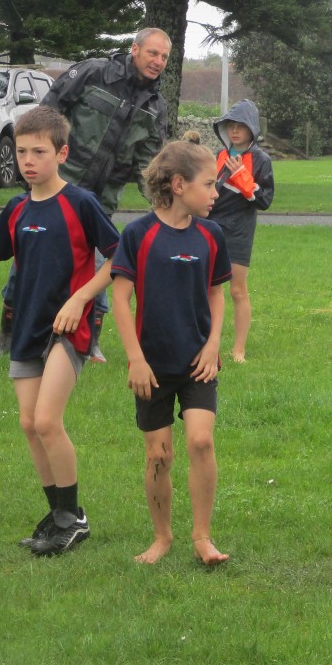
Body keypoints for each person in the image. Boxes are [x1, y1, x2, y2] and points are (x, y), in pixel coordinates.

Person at [0, 107, 120, 556]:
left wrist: (79, 299)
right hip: (26, 325)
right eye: (21, 152)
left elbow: (120, 256)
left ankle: (72, 519)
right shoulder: (17, 208)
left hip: (69, 327)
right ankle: (58, 516)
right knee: (30, 424)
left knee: (48, 420)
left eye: (39, 152)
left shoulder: (80, 203)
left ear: (62, 154)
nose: (28, 161)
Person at [111, 140, 233, 566]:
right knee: (158, 455)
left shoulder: (212, 235)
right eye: (209, 184)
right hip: (152, 367)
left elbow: (217, 294)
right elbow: (120, 298)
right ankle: (162, 537)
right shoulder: (138, 235)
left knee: (201, 441)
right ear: (179, 185)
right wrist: (135, 359)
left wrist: (214, 344)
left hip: (198, 362)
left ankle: (203, 537)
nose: (216, 193)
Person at [42, 27, 172, 215]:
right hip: (61, 185)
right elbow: (46, 116)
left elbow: (150, 165)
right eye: (153, 53)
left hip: (103, 203)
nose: (158, 62)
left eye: (164, 57)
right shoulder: (94, 73)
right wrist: (36, 171)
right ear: (135, 49)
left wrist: (166, 206)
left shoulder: (156, 107)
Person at [209, 100, 275, 363]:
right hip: (210, 227)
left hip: (239, 230)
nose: (234, 131)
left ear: (252, 129)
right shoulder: (218, 155)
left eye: (241, 126)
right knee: (208, 289)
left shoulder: (261, 160)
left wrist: (244, 180)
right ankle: (207, 343)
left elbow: (265, 201)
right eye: (230, 126)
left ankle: (239, 349)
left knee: (237, 290)